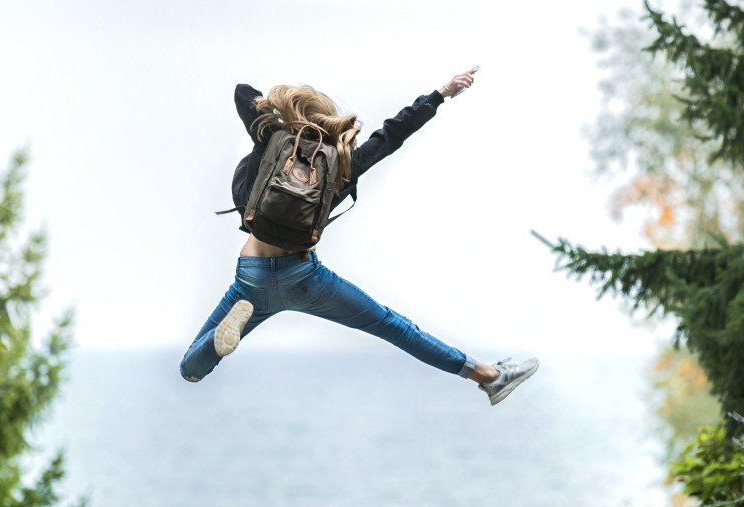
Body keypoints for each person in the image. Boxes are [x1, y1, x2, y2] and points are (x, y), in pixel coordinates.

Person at [179, 68, 539, 406]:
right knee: (393, 326)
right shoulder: (341, 163)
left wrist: (283, 117)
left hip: (252, 276)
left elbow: (244, 93)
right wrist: (441, 94)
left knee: (190, 369)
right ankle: (488, 376)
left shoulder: (272, 140)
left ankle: (216, 343)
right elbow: (391, 136)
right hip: (304, 278)